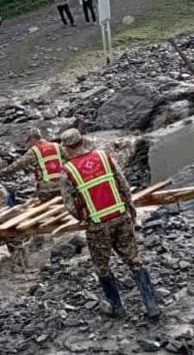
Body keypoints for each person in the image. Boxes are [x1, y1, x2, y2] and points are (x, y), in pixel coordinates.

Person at [60, 128, 159, 319]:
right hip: (120, 216)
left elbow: (69, 205)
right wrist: (129, 209)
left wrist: (83, 217)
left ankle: (117, 307)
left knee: (102, 266)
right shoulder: (104, 157)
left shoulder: (68, 170)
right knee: (134, 260)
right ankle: (151, 304)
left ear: (67, 148)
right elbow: (123, 184)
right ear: (82, 141)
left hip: (97, 225)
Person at [0, 127, 64, 202]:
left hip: (46, 188)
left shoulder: (34, 150)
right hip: (62, 184)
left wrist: (2, 172)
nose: (28, 144)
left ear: (32, 139)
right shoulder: (57, 146)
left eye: (28, 141)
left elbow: (19, 164)